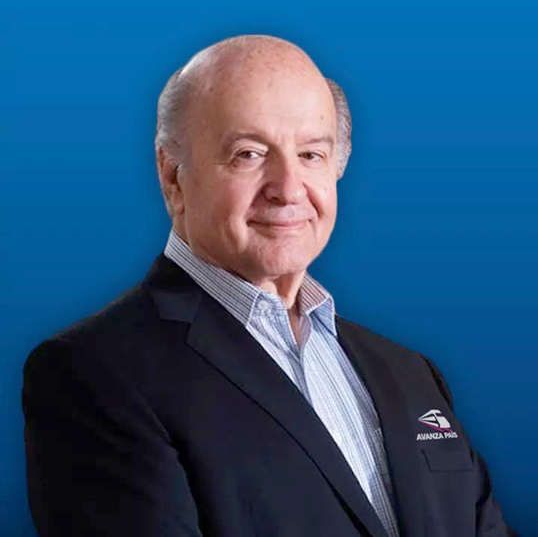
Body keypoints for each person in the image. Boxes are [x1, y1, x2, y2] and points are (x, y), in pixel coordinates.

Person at [23, 35, 515, 537]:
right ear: (173, 176)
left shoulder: (410, 374)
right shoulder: (95, 374)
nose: (288, 188)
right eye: (249, 154)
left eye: (311, 154)